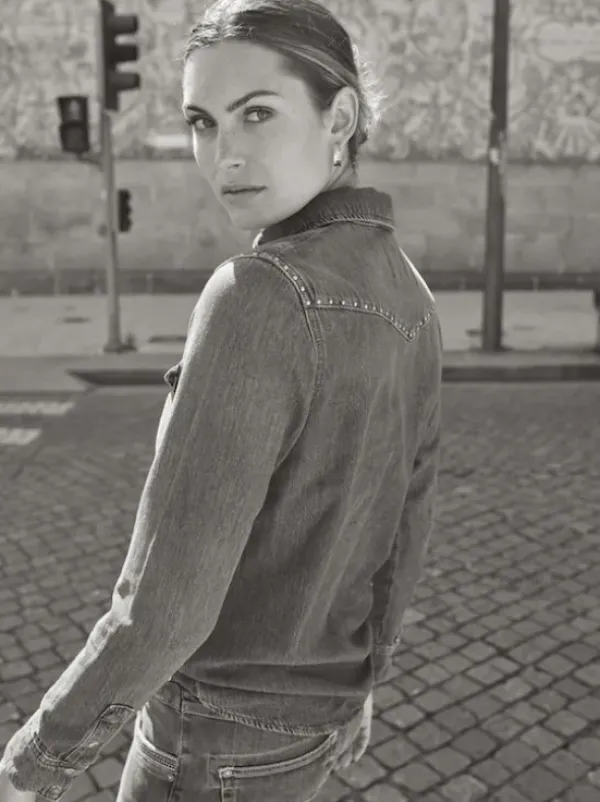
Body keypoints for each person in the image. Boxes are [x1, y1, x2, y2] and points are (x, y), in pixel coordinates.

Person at [0, 0, 443, 800]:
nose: (224, 155)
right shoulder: (411, 294)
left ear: (340, 117)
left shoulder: (255, 292)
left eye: (257, 113)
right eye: (203, 122)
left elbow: (165, 599)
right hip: (311, 731)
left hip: (208, 742)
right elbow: (403, 526)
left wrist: (38, 760)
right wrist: (365, 680)